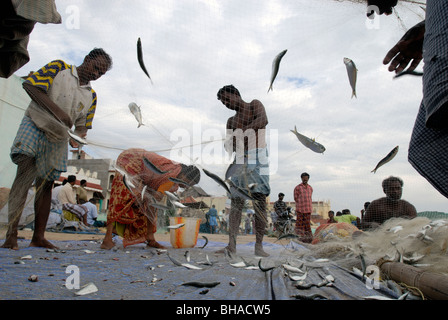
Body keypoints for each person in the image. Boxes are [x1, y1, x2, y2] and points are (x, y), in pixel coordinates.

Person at [1, 48, 112, 250]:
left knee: (46, 185)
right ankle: (11, 235)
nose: (96, 75)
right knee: (24, 175)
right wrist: (58, 113)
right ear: (87, 59)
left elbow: (81, 127)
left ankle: (39, 237)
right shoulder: (59, 68)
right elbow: (32, 86)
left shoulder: (91, 96)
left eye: (101, 74)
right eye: (95, 68)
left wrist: (77, 140)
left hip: (58, 138)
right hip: (35, 123)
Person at [371, 0, 448, 199]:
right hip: (439, 66)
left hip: (442, 77)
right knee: (425, 148)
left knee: (427, 146)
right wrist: (428, 29)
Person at [101, 148, 200, 250]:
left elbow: (153, 201)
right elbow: (156, 197)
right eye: (188, 183)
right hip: (131, 159)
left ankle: (150, 238)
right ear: (183, 175)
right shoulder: (171, 175)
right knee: (122, 198)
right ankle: (107, 240)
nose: (186, 187)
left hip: (140, 166)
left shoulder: (175, 173)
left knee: (146, 202)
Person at [216, 84, 270, 257]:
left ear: (236, 94)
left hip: (258, 156)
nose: (226, 103)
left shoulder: (254, 104)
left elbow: (263, 121)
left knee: (260, 200)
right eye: (223, 102)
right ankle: (231, 245)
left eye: (227, 98)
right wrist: (230, 142)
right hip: (240, 159)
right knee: (236, 202)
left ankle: (259, 245)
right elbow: (231, 147)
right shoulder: (231, 122)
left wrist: (243, 133)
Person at [294, 172, 313, 243]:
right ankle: (299, 239)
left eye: (306, 179)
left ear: (308, 179)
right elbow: (296, 198)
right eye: (304, 179)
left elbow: (310, 197)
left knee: (307, 225)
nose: (305, 180)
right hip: (300, 209)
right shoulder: (297, 188)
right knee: (299, 225)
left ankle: (308, 239)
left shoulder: (310, 188)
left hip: (308, 209)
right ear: (301, 178)